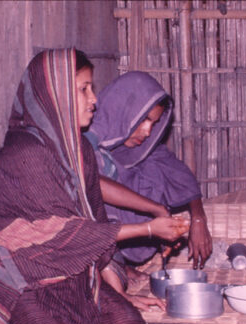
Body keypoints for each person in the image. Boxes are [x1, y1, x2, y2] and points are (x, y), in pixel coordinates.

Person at [0, 48, 189, 324]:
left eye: (91, 88)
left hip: (63, 268)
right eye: (83, 89)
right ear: (55, 93)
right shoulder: (27, 153)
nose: (94, 99)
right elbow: (67, 235)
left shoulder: (79, 151)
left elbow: (93, 222)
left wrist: (116, 292)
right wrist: (148, 229)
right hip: (15, 279)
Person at [84, 71, 212, 269]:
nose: (147, 131)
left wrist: (198, 218)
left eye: (154, 123)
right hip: (93, 254)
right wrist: (155, 215)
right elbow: (94, 188)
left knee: (154, 167)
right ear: (124, 110)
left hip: (123, 248)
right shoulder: (84, 146)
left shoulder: (138, 149)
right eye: (144, 120)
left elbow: (176, 172)